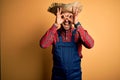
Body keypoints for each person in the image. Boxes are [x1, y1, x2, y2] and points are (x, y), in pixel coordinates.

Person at [40, 2, 94, 80]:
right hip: (57, 77)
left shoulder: (78, 33)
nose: (66, 20)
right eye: (63, 17)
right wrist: (55, 24)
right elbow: (43, 44)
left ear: (74, 17)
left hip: (75, 77)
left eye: (69, 16)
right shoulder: (54, 34)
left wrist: (77, 24)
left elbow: (90, 44)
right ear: (58, 17)